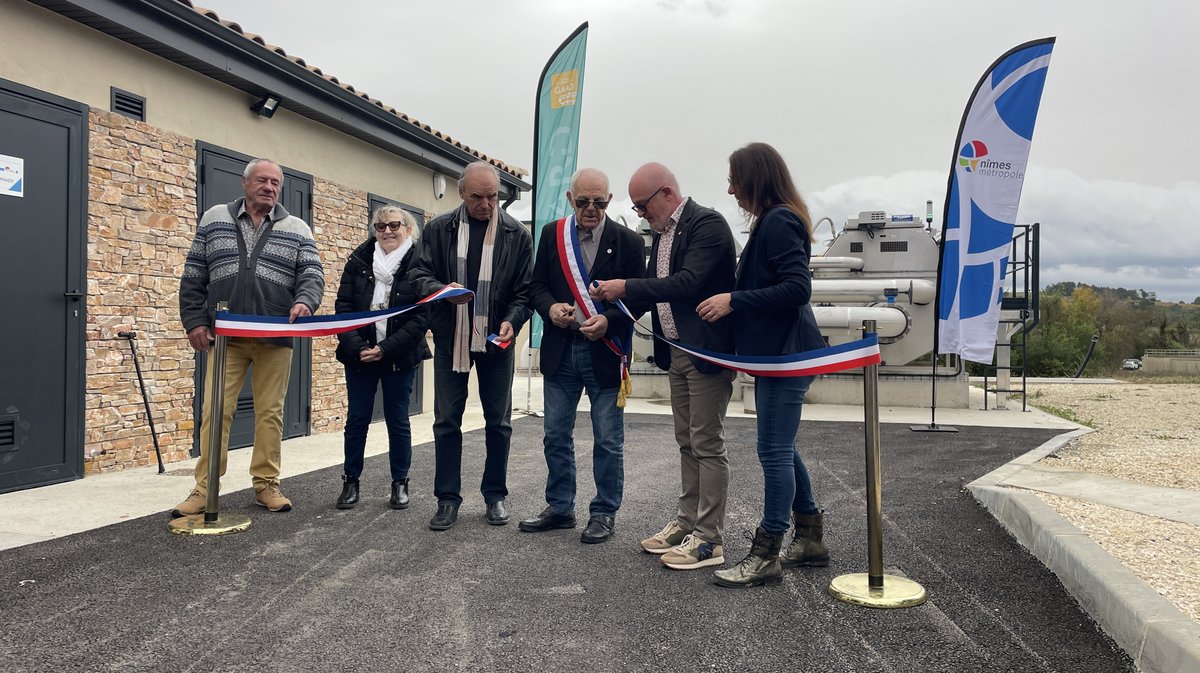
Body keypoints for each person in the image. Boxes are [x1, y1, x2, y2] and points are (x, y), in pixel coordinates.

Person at [590, 162, 737, 570]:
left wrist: (626, 286)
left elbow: (687, 283)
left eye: (641, 205)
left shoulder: (707, 224)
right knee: (688, 442)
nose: (640, 213)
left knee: (707, 443)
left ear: (666, 193)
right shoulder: (663, 234)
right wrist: (613, 303)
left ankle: (709, 539)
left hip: (706, 353)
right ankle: (688, 522)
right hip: (676, 352)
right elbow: (659, 291)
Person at [698, 142, 829, 587]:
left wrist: (733, 299)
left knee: (772, 452)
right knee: (782, 446)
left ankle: (766, 551)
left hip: (785, 358)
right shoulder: (777, 220)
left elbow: (797, 289)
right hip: (783, 355)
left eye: (735, 178)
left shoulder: (779, 222)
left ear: (754, 178)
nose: (730, 188)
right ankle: (810, 537)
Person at [173, 158, 324, 517]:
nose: (269, 187)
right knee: (215, 411)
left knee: (270, 413)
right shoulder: (214, 219)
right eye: (262, 181)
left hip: (274, 335)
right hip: (226, 338)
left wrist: (306, 300)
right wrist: (194, 322)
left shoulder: (298, 227)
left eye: (275, 183)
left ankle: (266, 485)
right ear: (245, 183)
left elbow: (312, 273)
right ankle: (204, 488)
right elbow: (194, 274)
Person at [519, 168, 646, 544]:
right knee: (555, 434)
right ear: (570, 199)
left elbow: (638, 299)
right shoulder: (551, 234)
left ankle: (604, 511)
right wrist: (550, 308)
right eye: (584, 201)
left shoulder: (629, 242)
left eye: (600, 201)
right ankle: (560, 507)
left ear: (610, 200)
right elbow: (536, 286)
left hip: (605, 351)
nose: (592, 208)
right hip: (562, 348)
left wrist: (608, 321)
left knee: (607, 439)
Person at [408, 161, 533, 531]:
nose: (486, 204)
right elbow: (417, 275)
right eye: (478, 197)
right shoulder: (438, 229)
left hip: (498, 342)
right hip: (452, 339)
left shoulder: (517, 234)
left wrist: (513, 319)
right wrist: (442, 293)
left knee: (499, 422)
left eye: (493, 196)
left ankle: (495, 496)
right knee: (447, 421)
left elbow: (525, 291)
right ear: (461, 193)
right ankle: (447, 499)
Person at [333, 206, 431, 510]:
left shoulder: (420, 264)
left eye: (393, 225)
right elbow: (343, 307)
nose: (387, 231)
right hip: (359, 354)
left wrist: (386, 348)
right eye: (380, 226)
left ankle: (400, 482)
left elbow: (421, 317)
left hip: (399, 355)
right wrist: (357, 347)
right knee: (357, 419)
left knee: (397, 420)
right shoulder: (359, 260)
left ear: (408, 229)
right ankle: (351, 481)